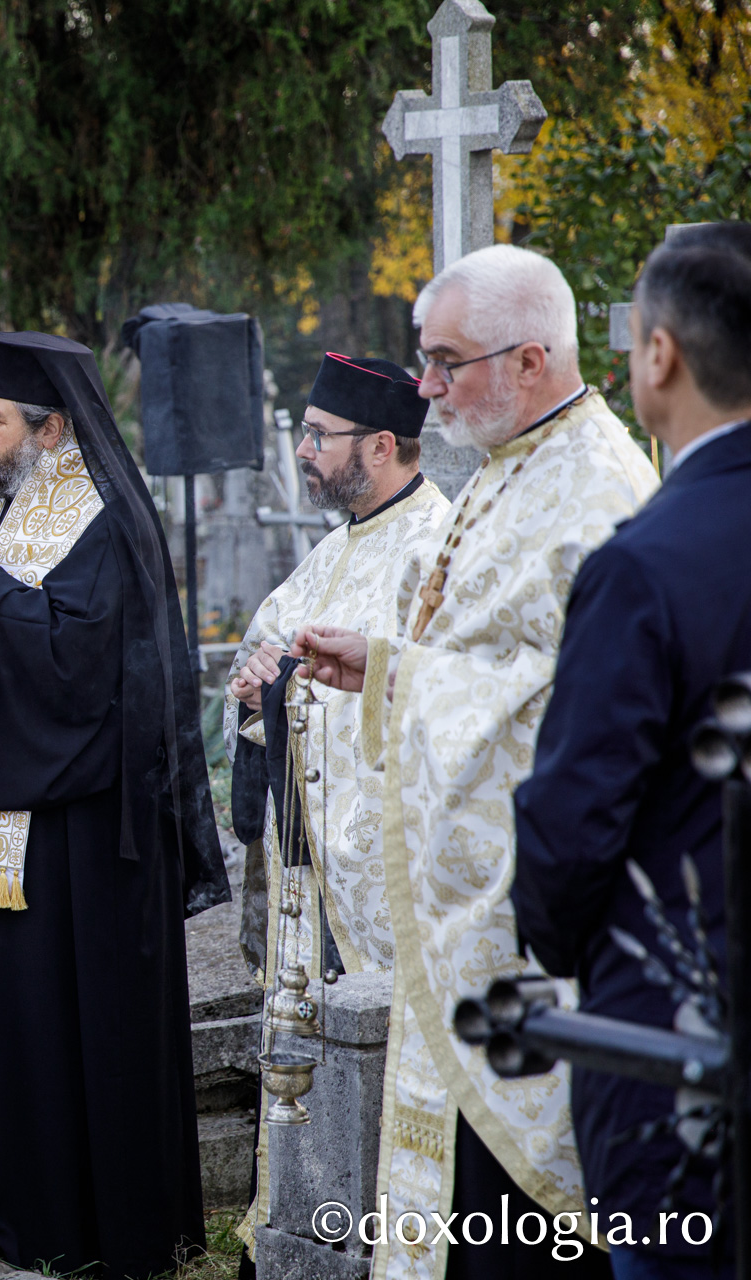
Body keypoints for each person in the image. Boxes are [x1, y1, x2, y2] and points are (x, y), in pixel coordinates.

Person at [294, 244, 659, 1280]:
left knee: (518, 1226)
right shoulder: (513, 463)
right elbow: (498, 668)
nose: (427, 387)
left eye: (448, 362)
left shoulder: (598, 491)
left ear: (532, 359)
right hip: (464, 921)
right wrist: (387, 666)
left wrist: (411, 679)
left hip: (524, 931)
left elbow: (578, 714)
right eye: (425, 358)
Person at [0, 330, 229, 1277]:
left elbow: (84, 674)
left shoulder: (105, 522)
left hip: (67, 837)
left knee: (56, 1030)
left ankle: (68, 1223)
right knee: (0, 1024)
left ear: (55, 427)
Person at [512, 224, 751, 1280]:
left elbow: (571, 823)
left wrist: (560, 944)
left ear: (660, 355)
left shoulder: (645, 565)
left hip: (680, 1038)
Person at [222, 354, 448, 1267]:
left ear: (383, 444)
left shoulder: (434, 546)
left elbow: (429, 704)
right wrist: (253, 696)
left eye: (320, 437)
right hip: (307, 865)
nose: (306, 453)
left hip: (381, 866)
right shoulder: (331, 548)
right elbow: (265, 662)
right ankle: (303, 1221)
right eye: (306, 435)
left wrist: (291, 689)